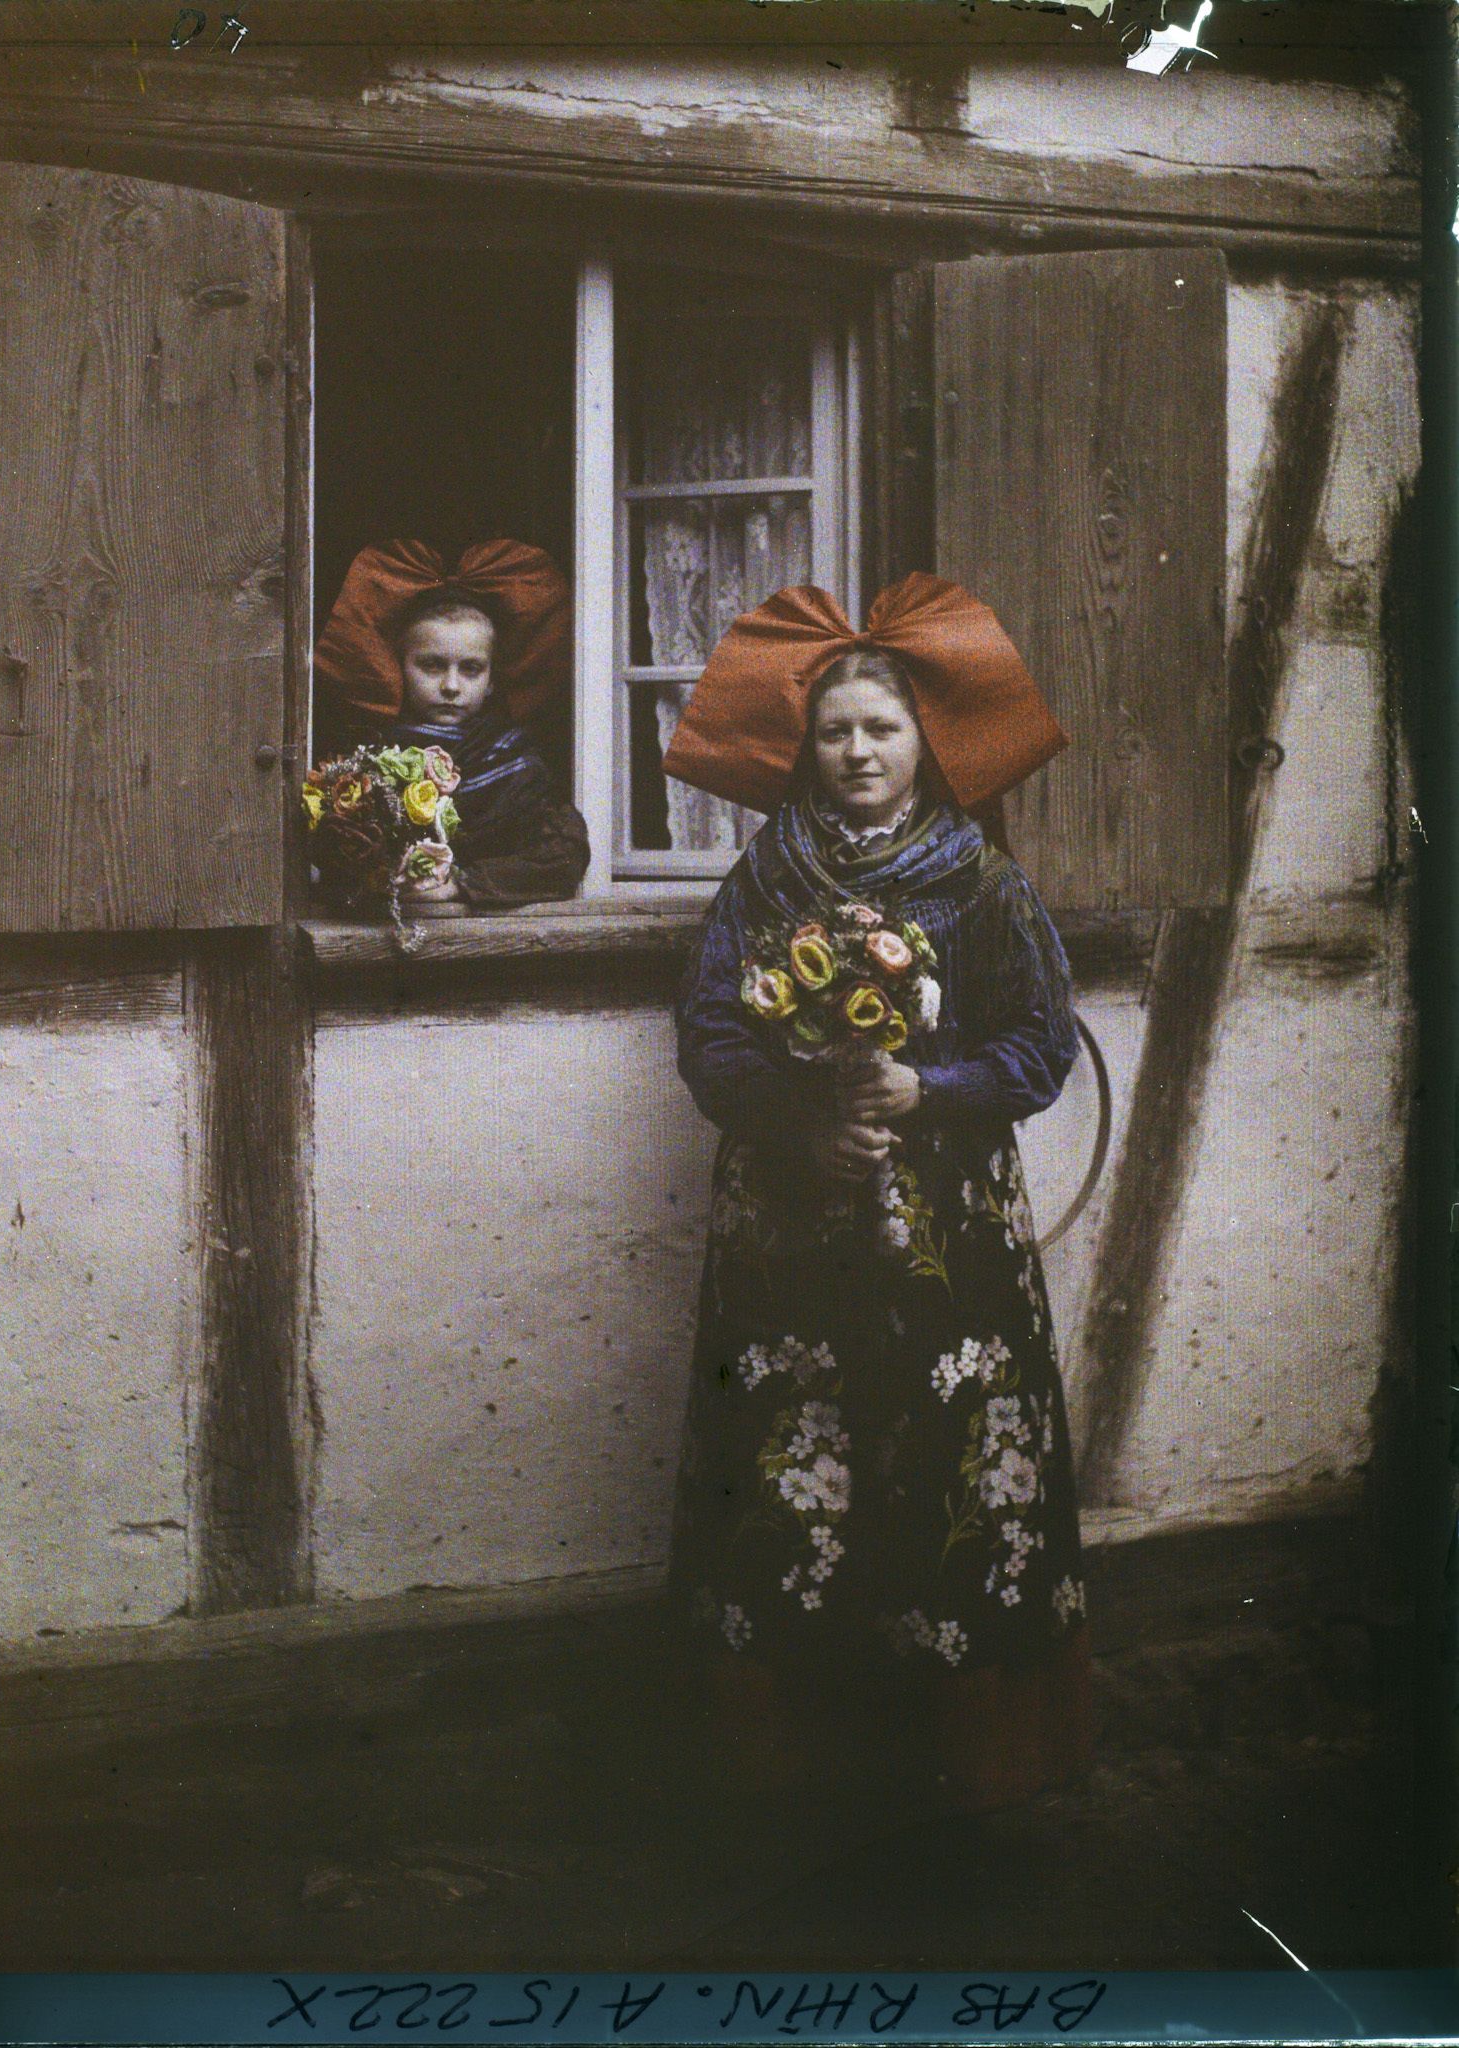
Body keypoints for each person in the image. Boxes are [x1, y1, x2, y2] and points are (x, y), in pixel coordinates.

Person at [662, 575, 1092, 1813]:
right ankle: (798, 1760)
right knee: (800, 1453)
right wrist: (800, 1119)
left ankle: (962, 1753)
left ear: (926, 745)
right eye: (837, 730)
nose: (857, 751)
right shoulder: (762, 880)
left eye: (882, 729)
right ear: (808, 745)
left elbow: (1039, 1045)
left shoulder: (982, 882)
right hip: (792, 1225)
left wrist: (925, 1090)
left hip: (944, 1236)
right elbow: (706, 1037)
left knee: (948, 1460)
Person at [313, 538, 590, 911]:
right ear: (399, 668)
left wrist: (462, 884)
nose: (451, 686)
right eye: (431, 666)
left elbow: (563, 856)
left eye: (471, 669)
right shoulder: (368, 758)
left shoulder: (515, 761)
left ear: (492, 679)